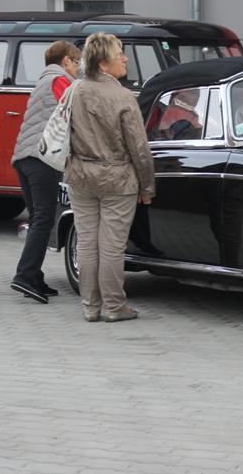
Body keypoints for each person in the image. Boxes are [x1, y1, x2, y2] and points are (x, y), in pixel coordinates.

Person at [66, 33, 155, 323]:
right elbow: (139, 148)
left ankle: (90, 307)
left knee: (88, 243)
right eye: (120, 54)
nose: (125, 58)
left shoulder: (74, 90)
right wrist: (147, 186)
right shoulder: (123, 97)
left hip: (80, 175)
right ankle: (114, 307)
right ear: (103, 63)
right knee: (112, 246)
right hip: (117, 178)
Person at [9, 41, 81, 304]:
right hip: (43, 159)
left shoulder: (43, 80)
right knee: (44, 218)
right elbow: (76, 113)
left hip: (24, 158)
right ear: (65, 61)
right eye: (76, 61)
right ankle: (25, 276)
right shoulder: (60, 80)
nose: (78, 67)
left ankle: (34, 275)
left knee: (39, 218)